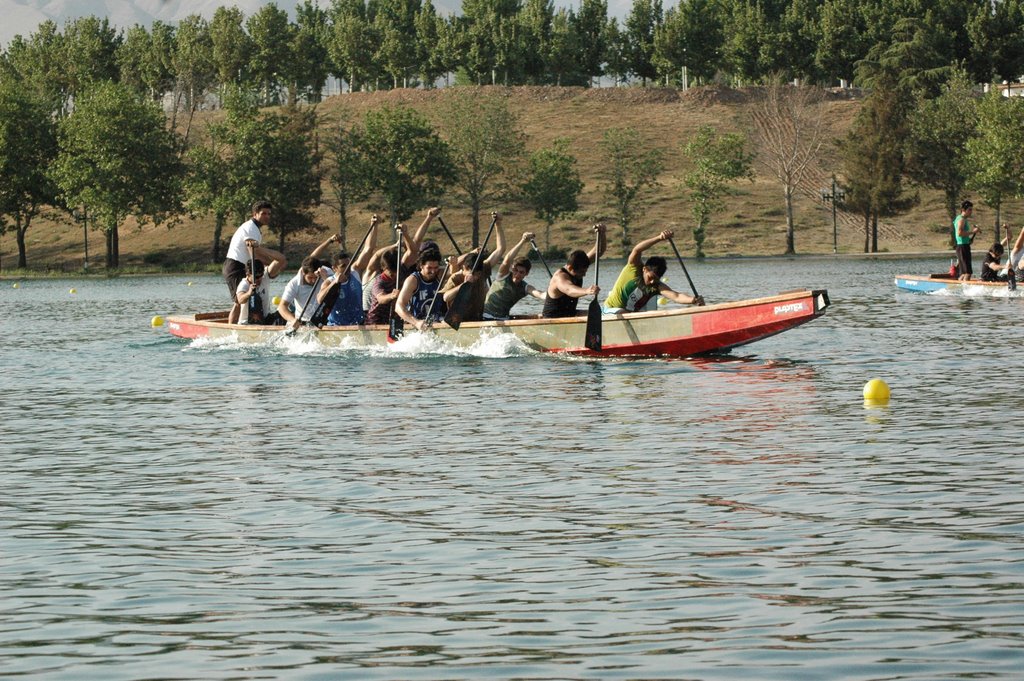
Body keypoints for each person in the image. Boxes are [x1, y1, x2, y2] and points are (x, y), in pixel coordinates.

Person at [603, 230, 704, 313]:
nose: (652, 282)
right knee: (622, 312)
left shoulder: (656, 286)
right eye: (650, 278)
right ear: (645, 269)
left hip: (630, 317)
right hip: (610, 310)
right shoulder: (633, 268)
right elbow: (637, 250)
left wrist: (693, 300)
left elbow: (676, 296)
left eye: (656, 279)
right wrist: (659, 238)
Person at [223, 200, 287, 324]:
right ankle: (230, 329)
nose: (267, 216)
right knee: (238, 301)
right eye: (263, 213)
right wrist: (271, 264)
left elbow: (256, 254)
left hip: (244, 266)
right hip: (235, 266)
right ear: (255, 214)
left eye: (269, 214)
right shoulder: (251, 228)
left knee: (242, 301)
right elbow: (254, 252)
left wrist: (271, 265)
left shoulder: (255, 229)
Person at [439, 214, 507, 323]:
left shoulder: (483, 268)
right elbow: (446, 297)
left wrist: (498, 224)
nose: (475, 277)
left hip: (477, 319)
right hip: (458, 321)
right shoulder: (456, 278)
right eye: (472, 274)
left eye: (478, 275)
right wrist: (464, 285)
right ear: (464, 268)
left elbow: (501, 249)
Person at [541, 223, 607, 319]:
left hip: (570, 314)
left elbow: (599, 251)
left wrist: (602, 234)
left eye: (585, 271)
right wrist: (587, 291)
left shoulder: (579, 264)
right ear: (570, 268)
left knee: (603, 313)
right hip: (553, 320)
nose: (584, 275)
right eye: (581, 272)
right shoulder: (560, 277)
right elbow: (569, 290)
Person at [483, 231, 546, 319]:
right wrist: (523, 241)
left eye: (521, 272)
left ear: (526, 274)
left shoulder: (525, 287)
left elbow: (541, 294)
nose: (517, 274)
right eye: (515, 270)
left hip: (503, 318)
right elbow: (507, 259)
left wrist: (556, 296)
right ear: (512, 269)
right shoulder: (503, 275)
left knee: (538, 316)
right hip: (485, 316)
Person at [394, 248, 456, 331]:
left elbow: (453, 274)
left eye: (436, 267)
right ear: (421, 266)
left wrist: (453, 264)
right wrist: (416, 322)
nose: (433, 271)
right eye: (429, 268)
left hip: (437, 321)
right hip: (418, 323)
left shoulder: (440, 274)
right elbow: (398, 306)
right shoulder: (413, 280)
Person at [277, 256, 333, 331]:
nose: (313, 281)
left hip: (326, 320)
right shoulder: (294, 283)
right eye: (310, 277)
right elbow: (282, 306)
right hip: (304, 323)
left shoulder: (327, 272)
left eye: (316, 277)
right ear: (303, 273)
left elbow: (337, 291)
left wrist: (326, 279)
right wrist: (292, 320)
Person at [236, 259, 283, 325]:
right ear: (248, 274)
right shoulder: (244, 285)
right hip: (247, 323)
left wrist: (259, 249)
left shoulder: (265, 277)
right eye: (257, 277)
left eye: (261, 275)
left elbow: (279, 260)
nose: (260, 279)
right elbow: (240, 300)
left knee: (283, 313)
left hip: (265, 319)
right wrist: (249, 293)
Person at [954, 200, 981, 281]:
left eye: (971, 209)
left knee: (964, 273)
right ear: (963, 210)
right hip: (963, 247)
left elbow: (961, 235)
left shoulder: (959, 218)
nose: (971, 212)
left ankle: (958, 288)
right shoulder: (961, 219)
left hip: (963, 245)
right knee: (968, 272)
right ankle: (965, 290)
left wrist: (969, 240)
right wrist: (973, 231)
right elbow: (959, 233)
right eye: (969, 209)